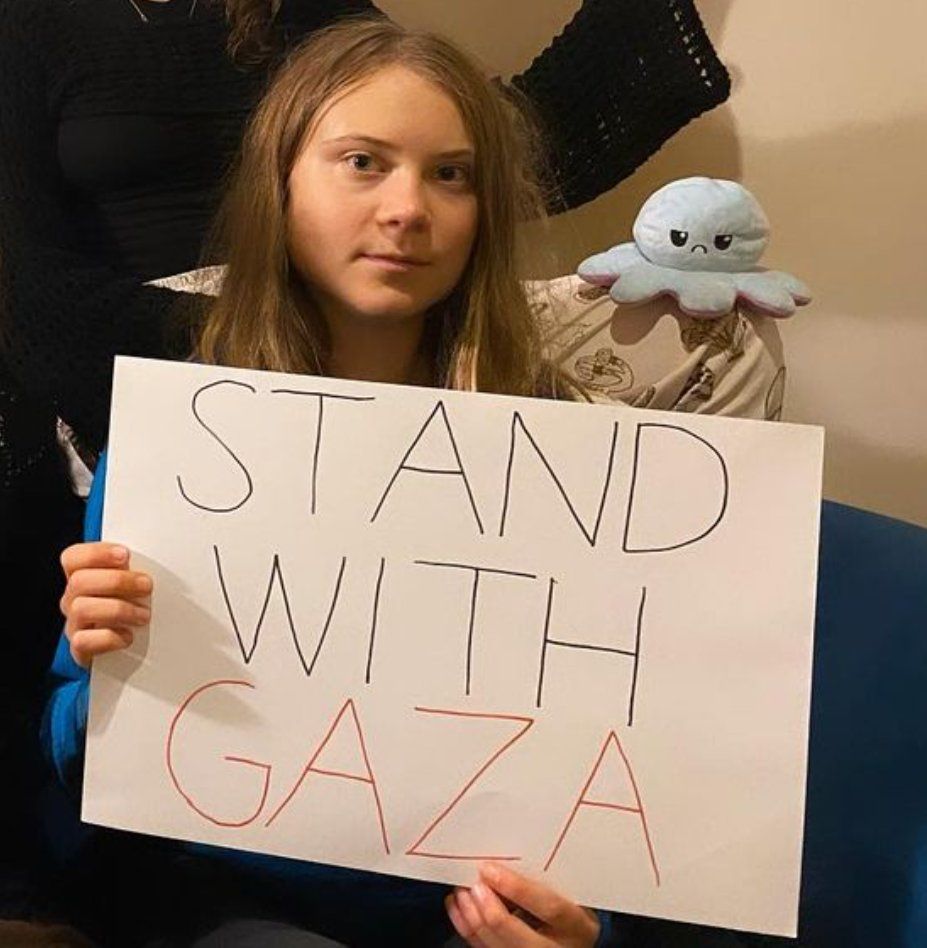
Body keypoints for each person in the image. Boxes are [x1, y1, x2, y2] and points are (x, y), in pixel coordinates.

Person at [44, 18, 625, 947]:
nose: (407, 208)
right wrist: (101, 664)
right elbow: (71, 755)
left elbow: (622, 754)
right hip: (222, 895)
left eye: (451, 173)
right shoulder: (186, 437)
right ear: (280, 185)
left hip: (470, 909)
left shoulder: (563, 448)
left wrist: (590, 928)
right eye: (363, 162)